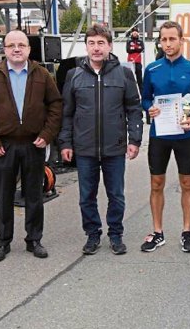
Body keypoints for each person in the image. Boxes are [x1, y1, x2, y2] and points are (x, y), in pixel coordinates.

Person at [0, 30, 63, 262]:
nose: (16, 49)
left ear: (28, 49)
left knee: (34, 194)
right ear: (4, 49)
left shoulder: (42, 75)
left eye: (21, 45)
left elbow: (55, 106)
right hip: (4, 146)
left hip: (34, 143)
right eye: (11, 45)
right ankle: (3, 241)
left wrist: (47, 135)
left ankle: (34, 239)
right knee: (4, 195)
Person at [59, 24, 143, 256]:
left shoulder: (124, 74)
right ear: (86, 46)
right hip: (84, 148)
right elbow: (67, 112)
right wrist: (65, 143)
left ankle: (115, 234)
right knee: (87, 195)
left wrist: (134, 139)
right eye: (92, 43)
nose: (96, 48)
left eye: (101, 43)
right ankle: (93, 234)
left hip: (114, 148)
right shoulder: (73, 75)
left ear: (109, 46)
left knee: (116, 194)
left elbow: (134, 109)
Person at [139, 21, 190, 253]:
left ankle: (187, 231)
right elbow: (145, 98)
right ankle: (157, 232)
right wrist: (150, 108)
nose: (168, 44)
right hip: (160, 135)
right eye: (164, 39)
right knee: (156, 183)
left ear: (181, 40)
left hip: (185, 135)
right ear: (160, 41)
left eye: (172, 39)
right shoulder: (152, 69)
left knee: (187, 183)